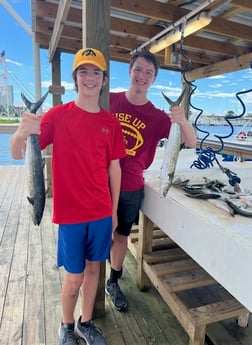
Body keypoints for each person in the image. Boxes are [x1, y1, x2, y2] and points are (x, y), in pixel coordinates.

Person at [10, 48, 126, 345]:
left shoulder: (111, 123)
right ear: (75, 78)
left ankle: (86, 323)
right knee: (74, 277)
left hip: (101, 212)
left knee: (93, 270)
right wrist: (21, 133)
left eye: (96, 72)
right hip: (71, 215)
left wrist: (113, 212)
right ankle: (66, 325)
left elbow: (114, 168)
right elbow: (17, 153)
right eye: (83, 72)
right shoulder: (56, 116)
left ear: (103, 80)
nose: (90, 78)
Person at [105, 50, 196, 311]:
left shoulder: (157, 117)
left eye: (149, 73)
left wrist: (182, 119)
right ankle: (91, 279)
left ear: (153, 79)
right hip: (99, 183)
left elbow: (190, 142)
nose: (142, 76)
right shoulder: (107, 100)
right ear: (130, 72)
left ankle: (113, 281)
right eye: (138, 70)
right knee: (99, 235)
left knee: (121, 236)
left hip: (131, 186)